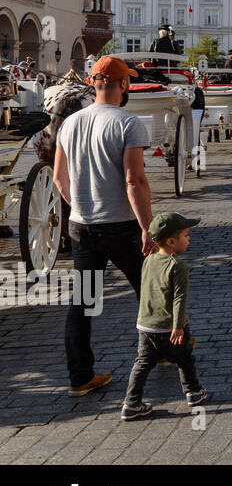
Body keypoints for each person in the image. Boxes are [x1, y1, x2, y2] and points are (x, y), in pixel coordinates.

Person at [52, 56, 154, 397]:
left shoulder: (70, 123)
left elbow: (58, 178)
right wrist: (146, 227)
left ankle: (80, 377)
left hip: (82, 225)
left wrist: (81, 205)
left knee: (84, 303)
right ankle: (166, 351)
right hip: (121, 225)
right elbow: (134, 180)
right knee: (151, 289)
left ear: (93, 83)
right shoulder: (128, 123)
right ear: (123, 84)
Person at [121, 212, 208, 420]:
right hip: (170, 326)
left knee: (142, 363)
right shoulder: (178, 266)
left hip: (146, 325)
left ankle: (131, 403)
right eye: (186, 235)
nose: (189, 239)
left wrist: (143, 321)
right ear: (171, 241)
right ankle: (193, 392)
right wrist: (178, 326)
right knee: (185, 358)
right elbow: (179, 299)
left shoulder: (148, 261)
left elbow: (146, 291)